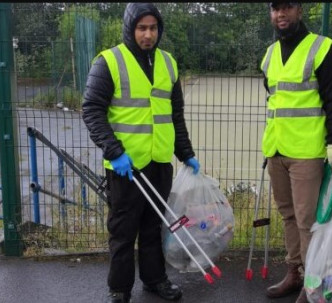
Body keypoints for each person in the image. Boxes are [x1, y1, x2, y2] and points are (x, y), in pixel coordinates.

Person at [81, 3, 200, 303]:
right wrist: (114, 151)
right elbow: (92, 110)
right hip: (126, 166)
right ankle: (119, 289)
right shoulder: (109, 62)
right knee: (123, 230)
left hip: (160, 162)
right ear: (130, 28)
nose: (148, 34)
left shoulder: (169, 63)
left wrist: (185, 153)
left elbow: (175, 115)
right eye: (141, 28)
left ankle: (155, 279)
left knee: (153, 227)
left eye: (153, 28)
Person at [260, 2, 332, 302]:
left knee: (307, 221)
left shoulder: (322, 50)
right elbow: (275, 102)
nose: (280, 14)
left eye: (287, 7)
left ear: (299, 10)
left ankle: (314, 286)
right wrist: (270, 145)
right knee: (288, 216)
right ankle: (294, 273)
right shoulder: (270, 54)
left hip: (307, 152)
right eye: (275, 8)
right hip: (276, 150)